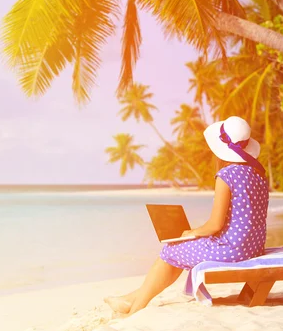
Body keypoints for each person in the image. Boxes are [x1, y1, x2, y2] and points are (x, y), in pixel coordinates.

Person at [104, 116, 270, 316]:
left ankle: (135, 309)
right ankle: (129, 299)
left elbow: (215, 225)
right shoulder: (259, 175)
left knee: (170, 250)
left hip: (233, 250)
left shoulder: (227, 176)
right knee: (178, 252)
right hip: (253, 247)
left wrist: (192, 232)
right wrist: (198, 233)